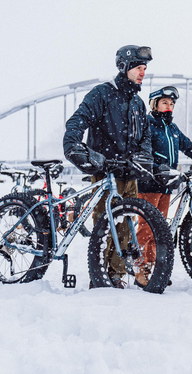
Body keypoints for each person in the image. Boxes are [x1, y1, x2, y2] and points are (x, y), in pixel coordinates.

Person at [63, 44, 154, 288]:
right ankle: (99, 275)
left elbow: (145, 137)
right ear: (124, 67)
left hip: (129, 174)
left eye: (144, 68)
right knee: (104, 224)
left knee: (125, 226)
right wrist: (75, 145)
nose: (142, 72)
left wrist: (143, 157)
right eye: (138, 67)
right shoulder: (102, 94)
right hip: (105, 172)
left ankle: (116, 275)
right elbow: (77, 120)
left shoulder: (138, 103)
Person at [135, 85, 192, 287]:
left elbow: (189, 147)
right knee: (146, 227)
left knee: (160, 228)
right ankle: (138, 266)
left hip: (167, 184)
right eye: (165, 103)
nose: (169, 107)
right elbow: (145, 153)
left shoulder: (173, 129)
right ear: (155, 104)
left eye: (172, 104)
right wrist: (158, 168)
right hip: (149, 183)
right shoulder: (148, 125)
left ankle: (152, 267)